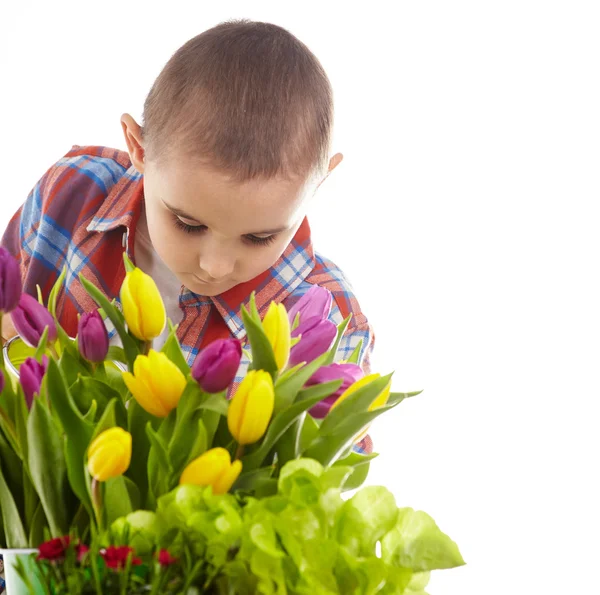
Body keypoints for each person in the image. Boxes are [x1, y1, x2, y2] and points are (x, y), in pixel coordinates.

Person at [1, 20, 374, 453]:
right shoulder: (72, 193)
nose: (215, 266)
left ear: (320, 182)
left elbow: (321, 478)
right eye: (188, 224)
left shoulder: (328, 320)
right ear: (139, 148)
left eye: (258, 238)